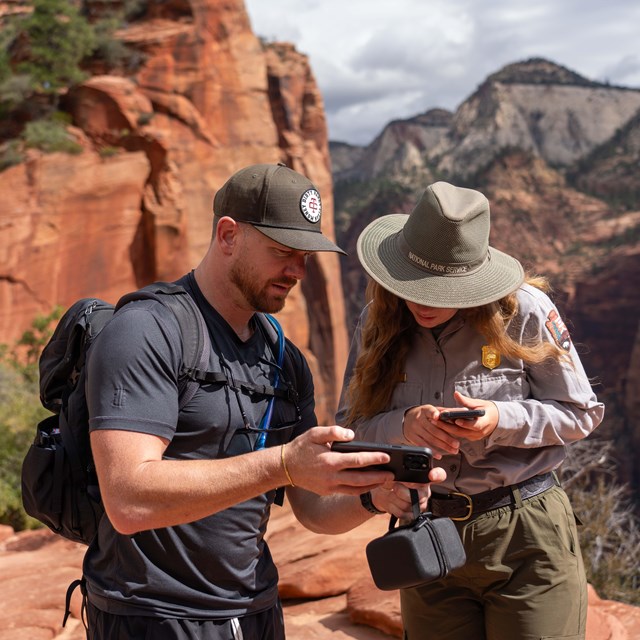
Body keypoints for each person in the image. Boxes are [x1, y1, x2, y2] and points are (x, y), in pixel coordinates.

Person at [84, 163, 445, 640]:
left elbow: (312, 509)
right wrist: (282, 465)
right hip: (151, 615)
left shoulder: (284, 360)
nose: (297, 271)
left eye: (306, 256)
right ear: (228, 235)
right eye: (282, 252)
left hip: (255, 611)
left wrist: (374, 496)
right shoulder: (147, 331)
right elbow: (128, 498)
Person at [337, 181, 605, 640]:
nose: (421, 301)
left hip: (527, 534)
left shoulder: (524, 311)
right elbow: (349, 430)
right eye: (412, 284)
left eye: (440, 289)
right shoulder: (377, 322)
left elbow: (580, 413)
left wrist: (501, 421)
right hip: (427, 534)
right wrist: (404, 426)